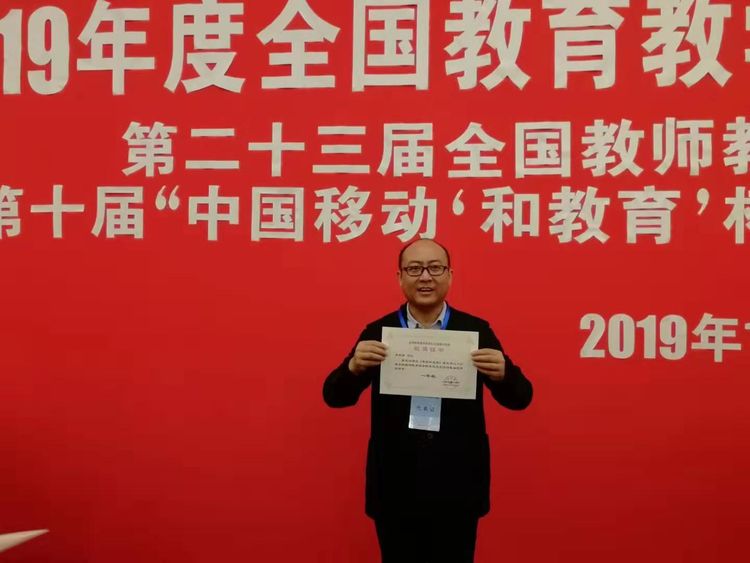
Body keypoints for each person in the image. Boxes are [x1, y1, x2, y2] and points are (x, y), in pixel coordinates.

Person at [323, 239, 533, 563]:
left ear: (450, 275)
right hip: (395, 484)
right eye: (414, 268)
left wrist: (504, 373)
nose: (425, 277)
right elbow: (334, 396)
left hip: (458, 483)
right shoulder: (380, 331)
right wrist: (352, 368)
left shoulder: (474, 331)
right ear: (399, 277)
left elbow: (520, 398)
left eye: (435, 268)